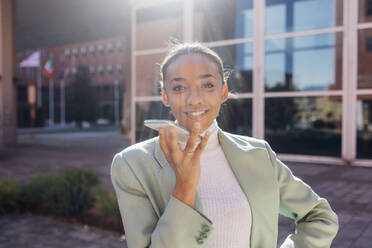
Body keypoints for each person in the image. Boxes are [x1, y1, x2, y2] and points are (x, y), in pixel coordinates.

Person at [111, 43, 339, 248]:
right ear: (165, 96)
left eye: (207, 85)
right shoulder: (132, 164)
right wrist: (185, 187)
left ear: (223, 92)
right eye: (179, 88)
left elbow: (319, 216)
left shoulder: (259, 154)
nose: (194, 99)